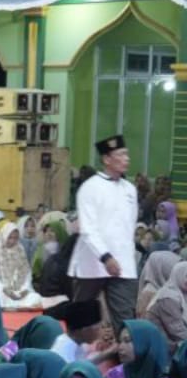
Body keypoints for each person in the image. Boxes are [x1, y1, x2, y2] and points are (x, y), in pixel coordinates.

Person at [68, 135, 139, 332]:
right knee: (82, 319)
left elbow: (129, 227)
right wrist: (106, 257)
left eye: (127, 154)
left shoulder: (130, 189)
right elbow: (88, 229)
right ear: (107, 159)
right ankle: (72, 357)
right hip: (92, 262)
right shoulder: (90, 188)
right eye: (121, 154)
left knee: (126, 321)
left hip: (123, 264)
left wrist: (125, 257)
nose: (127, 158)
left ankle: (123, 361)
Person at [0, 222, 42, 308]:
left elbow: (27, 274)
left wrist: (24, 290)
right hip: (0, 290)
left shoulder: (20, 250)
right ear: (4, 236)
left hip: (18, 291)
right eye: (9, 237)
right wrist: (4, 289)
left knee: (36, 298)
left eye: (15, 238)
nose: (12, 241)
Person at [146, 260, 187, 351]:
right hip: (164, 347)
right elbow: (177, 330)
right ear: (177, 275)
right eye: (186, 276)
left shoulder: (182, 294)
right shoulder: (168, 297)